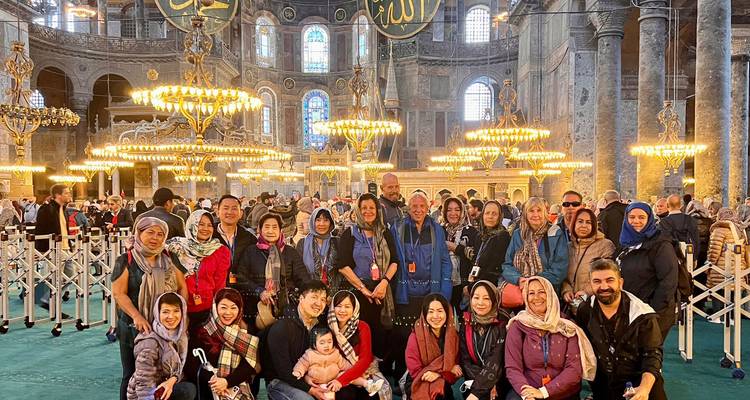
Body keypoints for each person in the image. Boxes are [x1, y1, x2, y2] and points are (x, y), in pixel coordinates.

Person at [112, 217, 188, 400]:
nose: (155, 238)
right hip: (132, 327)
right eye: (150, 232)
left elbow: (182, 287)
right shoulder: (126, 260)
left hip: (166, 327)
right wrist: (137, 317)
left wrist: (182, 315)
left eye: (160, 234)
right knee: (131, 374)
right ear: (139, 233)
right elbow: (119, 293)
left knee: (162, 373)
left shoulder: (170, 258)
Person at [575, 259, 666, 400]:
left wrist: (644, 389)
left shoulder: (643, 315)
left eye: (609, 280)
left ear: (620, 282)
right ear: (590, 284)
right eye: (597, 281)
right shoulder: (585, 310)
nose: (604, 286)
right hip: (603, 385)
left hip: (638, 382)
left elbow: (652, 355)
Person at [391, 192, 453, 378]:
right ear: (408, 209)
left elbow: (444, 261)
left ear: (428, 208)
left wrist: (444, 292)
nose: (418, 210)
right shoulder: (398, 228)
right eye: (414, 206)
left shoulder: (437, 229)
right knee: (403, 336)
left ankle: (424, 375)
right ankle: (403, 376)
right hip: (405, 292)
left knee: (427, 336)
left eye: (422, 206)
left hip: (429, 292)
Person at [505, 276, 596, 400]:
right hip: (529, 391)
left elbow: (574, 369)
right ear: (526, 297)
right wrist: (527, 393)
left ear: (550, 294)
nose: (536, 297)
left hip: (563, 393)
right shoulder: (518, 326)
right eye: (531, 293)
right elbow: (513, 367)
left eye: (542, 292)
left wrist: (544, 392)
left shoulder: (566, 326)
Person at [338, 193, 399, 362]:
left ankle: (381, 377)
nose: (368, 211)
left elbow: (395, 261)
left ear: (377, 210)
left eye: (372, 208)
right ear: (357, 209)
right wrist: (363, 289)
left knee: (381, 336)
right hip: (359, 294)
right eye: (364, 208)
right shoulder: (349, 234)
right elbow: (343, 266)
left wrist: (384, 283)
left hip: (382, 292)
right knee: (361, 336)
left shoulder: (385, 233)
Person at [233, 213, 310, 327]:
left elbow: (303, 278)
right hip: (257, 308)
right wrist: (259, 291)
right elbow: (241, 277)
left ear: (280, 230)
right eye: (267, 227)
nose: (270, 231)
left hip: (286, 308)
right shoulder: (251, 251)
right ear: (260, 229)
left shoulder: (290, 252)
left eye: (274, 227)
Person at [264, 280, 336, 400]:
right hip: (279, 382)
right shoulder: (283, 326)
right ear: (301, 298)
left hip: (308, 379)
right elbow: (284, 372)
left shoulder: (319, 328)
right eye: (314, 297)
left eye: (323, 299)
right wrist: (310, 389)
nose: (319, 303)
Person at [617, 202, 678, 340]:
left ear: (649, 219)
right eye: (632, 217)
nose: (636, 221)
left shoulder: (661, 245)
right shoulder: (627, 243)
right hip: (631, 309)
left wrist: (652, 312)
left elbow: (668, 281)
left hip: (651, 311)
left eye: (641, 217)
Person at [185, 288, 260, 400]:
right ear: (215, 307)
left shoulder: (246, 332)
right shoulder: (202, 331)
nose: (228, 313)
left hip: (236, 389)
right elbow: (191, 365)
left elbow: (250, 365)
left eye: (233, 308)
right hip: (207, 389)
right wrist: (215, 381)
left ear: (240, 310)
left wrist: (226, 382)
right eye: (223, 307)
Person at [167, 210, 231, 330]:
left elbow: (220, 284)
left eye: (209, 225)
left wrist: (217, 309)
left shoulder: (220, 251)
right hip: (178, 308)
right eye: (201, 224)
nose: (205, 229)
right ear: (192, 224)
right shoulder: (176, 247)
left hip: (207, 310)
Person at [127, 292, 196, 400]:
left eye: (176, 311)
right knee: (187, 390)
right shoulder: (150, 342)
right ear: (157, 313)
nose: (171, 316)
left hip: (166, 385)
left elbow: (179, 370)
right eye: (165, 312)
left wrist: (172, 380)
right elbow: (144, 381)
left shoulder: (181, 336)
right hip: (147, 394)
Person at [326, 290, 390, 399]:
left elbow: (365, 359)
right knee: (344, 395)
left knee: (374, 395)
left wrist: (341, 380)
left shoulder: (362, 327)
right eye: (339, 306)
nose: (342, 310)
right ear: (333, 308)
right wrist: (339, 379)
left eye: (347, 306)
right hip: (335, 374)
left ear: (354, 308)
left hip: (362, 372)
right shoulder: (327, 329)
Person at [292, 326, 383, 396]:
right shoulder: (310, 354)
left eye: (329, 341)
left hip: (334, 379)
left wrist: (355, 372)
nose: (326, 345)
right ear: (314, 345)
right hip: (318, 383)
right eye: (322, 343)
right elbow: (302, 363)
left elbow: (344, 364)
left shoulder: (335, 353)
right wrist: (298, 372)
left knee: (348, 376)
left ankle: (368, 385)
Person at [458, 281, 511, 400]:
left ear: (494, 300)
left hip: (499, 381)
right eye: (476, 297)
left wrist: (488, 385)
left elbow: (497, 359)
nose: (480, 303)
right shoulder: (466, 322)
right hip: (473, 380)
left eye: (486, 298)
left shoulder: (504, 322)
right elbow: (465, 360)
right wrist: (482, 387)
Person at [503, 197, 569, 292]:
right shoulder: (518, 234)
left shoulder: (555, 233)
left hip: (547, 289)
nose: (535, 214)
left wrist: (534, 281)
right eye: (531, 211)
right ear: (525, 214)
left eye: (539, 210)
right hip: (521, 289)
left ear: (545, 213)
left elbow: (560, 268)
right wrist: (518, 279)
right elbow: (507, 265)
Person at [404, 293, 462, 400]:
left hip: (443, 380)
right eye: (430, 312)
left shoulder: (454, 337)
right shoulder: (416, 336)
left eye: (440, 311)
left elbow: (457, 371)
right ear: (425, 314)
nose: (435, 316)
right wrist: (445, 370)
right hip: (418, 379)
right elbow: (414, 369)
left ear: (447, 313)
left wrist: (439, 375)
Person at [562, 208, 615, 312]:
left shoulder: (605, 245)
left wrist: (587, 292)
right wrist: (566, 290)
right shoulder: (568, 247)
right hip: (571, 306)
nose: (584, 226)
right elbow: (563, 274)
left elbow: (608, 276)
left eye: (588, 222)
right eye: (580, 221)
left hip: (595, 306)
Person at [34, 184, 72, 310]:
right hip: (54, 248)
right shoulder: (46, 209)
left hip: (65, 247)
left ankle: (47, 299)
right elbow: (39, 230)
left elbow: (65, 229)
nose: (69, 195)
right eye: (66, 193)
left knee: (70, 276)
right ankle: (50, 301)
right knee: (57, 276)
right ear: (57, 195)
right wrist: (41, 249)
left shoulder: (64, 209)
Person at [706, 208, 748, 317]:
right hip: (739, 267)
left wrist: (709, 266)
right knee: (734, 293)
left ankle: (717, 316)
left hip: (720, 268)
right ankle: (733, 316)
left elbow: (714, 251)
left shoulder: (719, 230)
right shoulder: (740, 229)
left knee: (718, 292)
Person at [440, 197, 478, 315]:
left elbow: (475, 256)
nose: (453, 213)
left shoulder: (471, 231)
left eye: (457, 210)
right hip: (443, 281)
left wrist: (456, 248)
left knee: (462, 316)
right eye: (449, 210)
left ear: (462, 212)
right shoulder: (440, 230)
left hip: (463, 282)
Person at [213, 195, 257, 279]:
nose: (230, 212)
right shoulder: (209, 235)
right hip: (214, 287)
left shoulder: (249, 238)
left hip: (241, 287)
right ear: (217, 212)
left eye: (234, 208)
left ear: (240, 213)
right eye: (226, 208)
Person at [297, 207, 341, 291]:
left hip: (334, 292)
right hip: (310, 291)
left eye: (326, 220)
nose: (322, 224)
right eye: (318, 220)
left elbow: (341, 270)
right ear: (312, 222)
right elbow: (299, 271)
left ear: (331, 223)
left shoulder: (337, 242)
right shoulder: (302, 243)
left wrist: (332, 293)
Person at [471, 200, 511, 286]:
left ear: (500, 216)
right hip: (477, 281)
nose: (490, 216)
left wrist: (473, 286)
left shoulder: (503, 236)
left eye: (494, 214)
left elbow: (494, 269)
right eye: (487, 213)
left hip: (491, 285)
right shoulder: (480, 235)